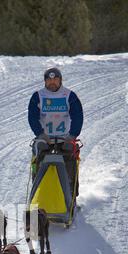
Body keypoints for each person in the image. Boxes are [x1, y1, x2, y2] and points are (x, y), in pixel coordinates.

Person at [28, 67, 83, 195]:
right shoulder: (38, 96)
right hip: (44, 138)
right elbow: (32, 117)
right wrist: (40, 134)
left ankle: (71, 196)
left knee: (70, 161)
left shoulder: (69, 95)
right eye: (49, 80)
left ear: (60, 81)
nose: (52, 82)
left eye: (55, 79)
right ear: (45, 81)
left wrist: (72, 136)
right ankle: (37, 193)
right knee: (38, 159)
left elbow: (77, 116)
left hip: (65, 138)